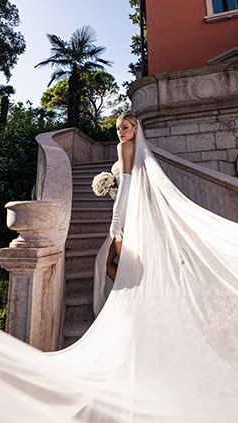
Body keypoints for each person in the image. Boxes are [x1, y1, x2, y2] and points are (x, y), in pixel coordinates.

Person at [93, 113, 137, 315]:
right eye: (118, 129)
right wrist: (112, 189)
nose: (120, 132)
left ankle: (135, 299)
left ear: (135, 129)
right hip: (132, 208)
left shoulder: (124, 146)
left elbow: (127, 181)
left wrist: (116, 221)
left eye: (125, 128)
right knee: (113, 262)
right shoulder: (137, 149)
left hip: (125, 215)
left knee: (105, 262)